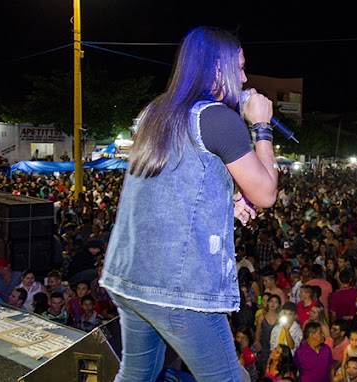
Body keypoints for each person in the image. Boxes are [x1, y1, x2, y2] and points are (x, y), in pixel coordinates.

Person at [99, 26, 278, 382]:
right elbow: (266, 193)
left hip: (129, 275)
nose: (244, 77)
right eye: (239, 67)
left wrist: (225, 200)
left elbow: (167, 186)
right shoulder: (218, 118)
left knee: (136, 374)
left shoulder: (155, 111)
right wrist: (261, 126)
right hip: (180, 289)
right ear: (216, 69)